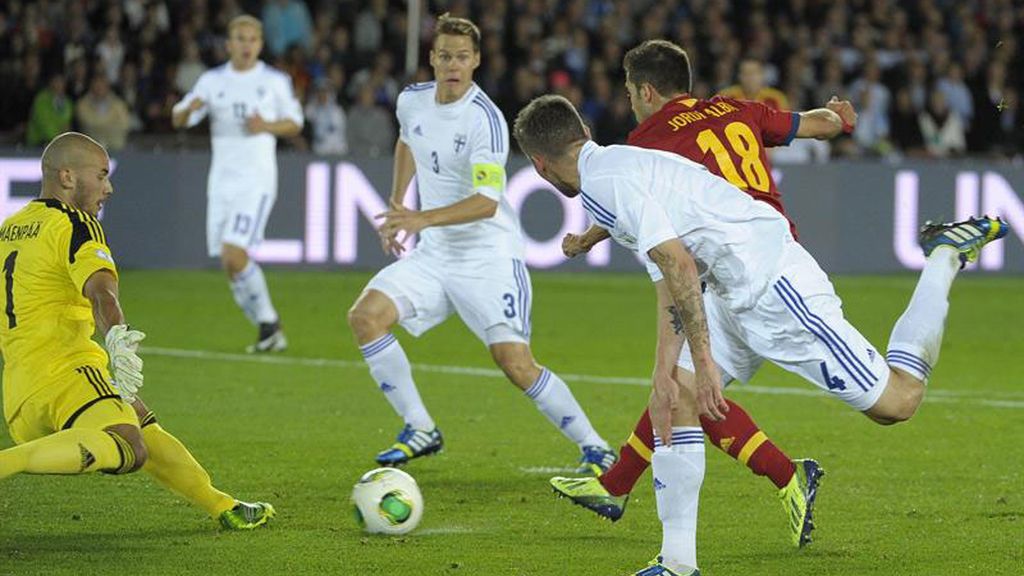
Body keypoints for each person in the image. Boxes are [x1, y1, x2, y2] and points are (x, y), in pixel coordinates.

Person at [513, 93, 1006, 576]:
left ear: (539, 165)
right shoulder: (617, 162)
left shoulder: (608, 181)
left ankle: (944, 256)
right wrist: (664, 369)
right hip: (731, 287)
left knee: (897, 403)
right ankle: (677, 563)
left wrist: (703, 360)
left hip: (774, 286)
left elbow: (679, 267)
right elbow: (669, 274)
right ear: (585, 134)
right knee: (676, 396)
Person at [550, 40, 857, 548]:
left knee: (684, 387)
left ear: (647, 91)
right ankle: (615, 486)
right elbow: (815, 123)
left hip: (733, 272)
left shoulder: (646, 138)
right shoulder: (737, 108)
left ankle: (779, 479)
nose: (630, 102)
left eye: (630, 92)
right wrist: (842, 118)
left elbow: (637, 201)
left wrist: (587, 236)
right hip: (778, 253)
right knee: (684, 388)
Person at [347, 14, 615, 473]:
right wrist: (396, 204)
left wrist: (419, 217)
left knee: (514, 362)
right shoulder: (412, 101)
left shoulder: (484, 119)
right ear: (432, 58)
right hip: (435, 254)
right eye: (445, 55)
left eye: (462, 57)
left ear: (476, 61)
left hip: (488, 256)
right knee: (366, 318)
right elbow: (407, 142)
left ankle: (595, 446)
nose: (453, 64)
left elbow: (486, 202)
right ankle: (420, 428)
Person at [0, 132, 274, 530]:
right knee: (130, 443)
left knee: (140, 418)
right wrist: (117, 337)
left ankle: (221, 505)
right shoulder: (75, 223)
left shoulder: (10, 229)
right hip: (67, 374)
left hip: (20, 396)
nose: (108, 188)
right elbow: (101, 291)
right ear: (67, 177)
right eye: (101, 175)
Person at [171, 15, 303, 352]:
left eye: (252, 39)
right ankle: (268, 330)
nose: (246, 45)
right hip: (221, 183)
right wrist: (191, 109)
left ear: (260, 44)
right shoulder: (212, 81)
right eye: (239, 39)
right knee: (229, 264)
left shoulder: (274, 81)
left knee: (234, 252)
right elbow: (178, 117)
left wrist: (266, 126)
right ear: (229, 44)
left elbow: (295, 123)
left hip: (255, 181)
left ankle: (270, 323)